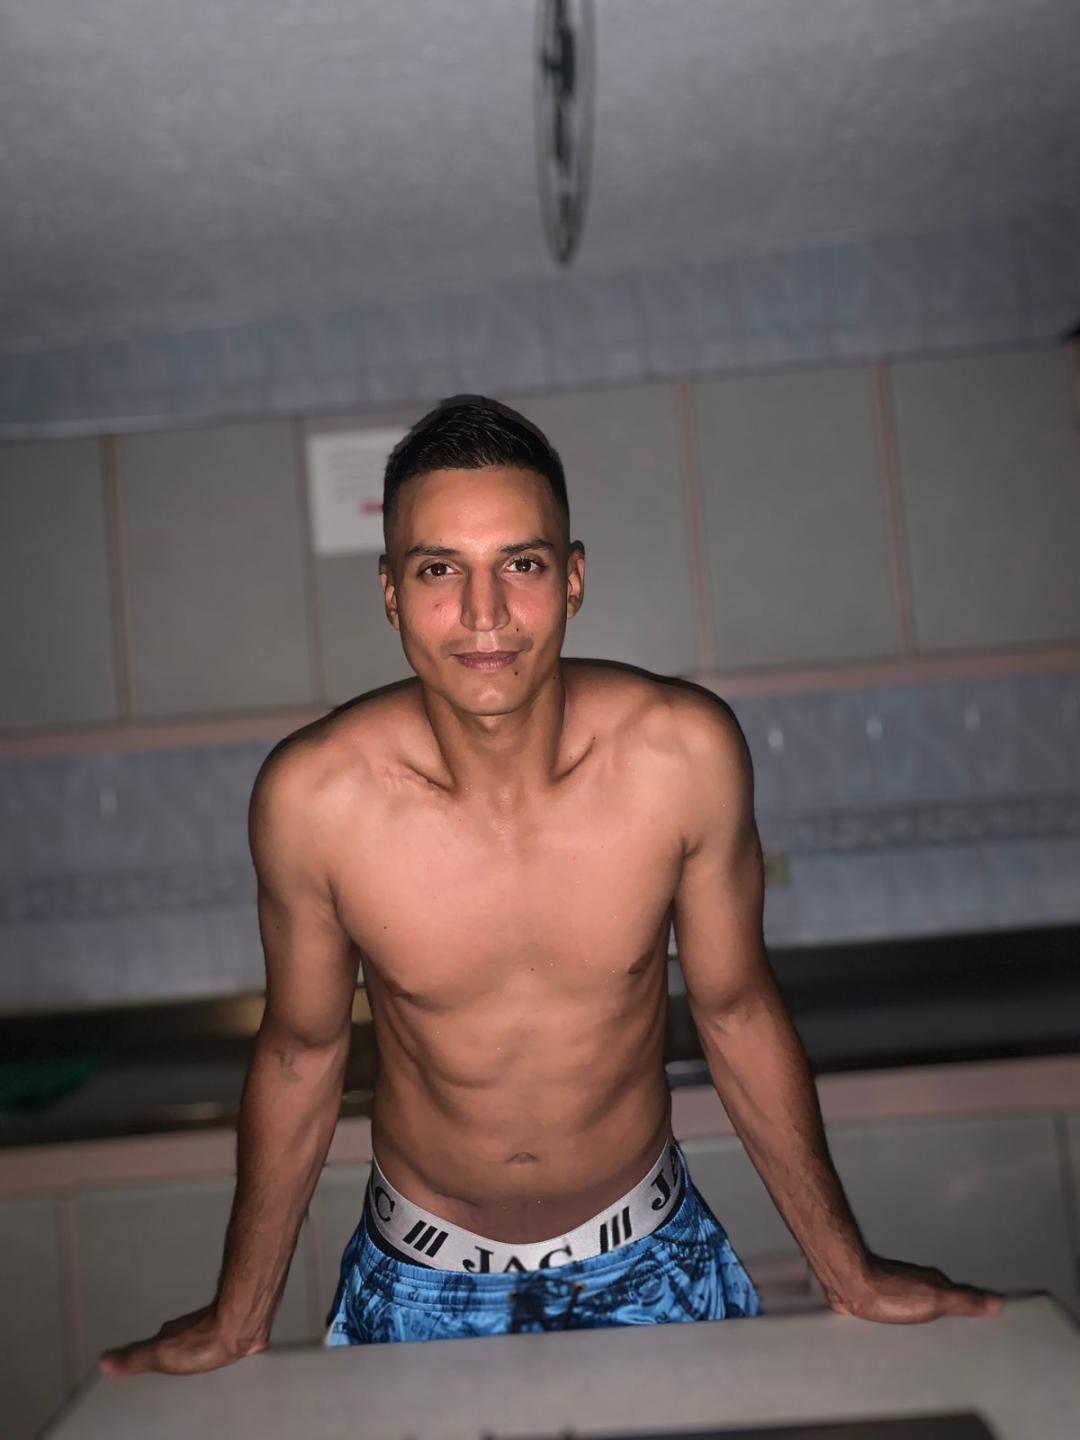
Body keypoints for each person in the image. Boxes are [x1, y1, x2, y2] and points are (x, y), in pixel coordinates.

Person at [99, 395, 1002, 1375]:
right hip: (417, 1286)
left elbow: (737, 1011)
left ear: (571, 579)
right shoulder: (316, 801)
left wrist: (848, 1270)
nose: (483, 614)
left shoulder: (681, 757)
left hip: (653, 1266)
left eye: (519, 565)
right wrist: (240, 1314)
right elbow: (300, 1053)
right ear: (391, 593)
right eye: (439, 569)